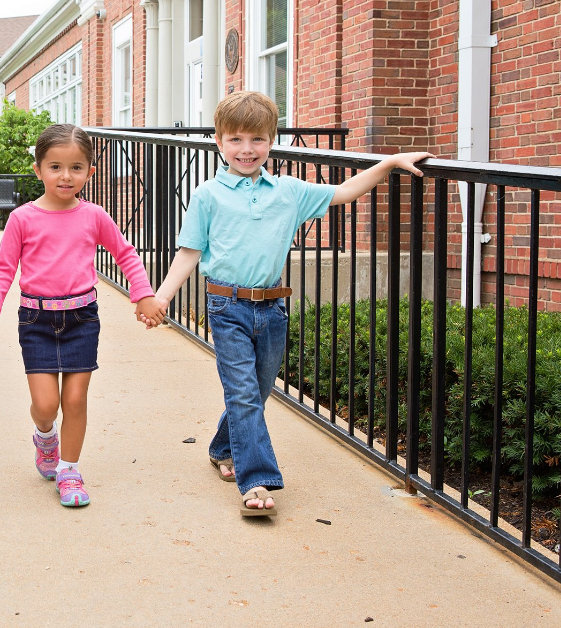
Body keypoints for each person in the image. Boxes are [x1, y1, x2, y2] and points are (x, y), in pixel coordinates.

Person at [146, 91, 433, 517]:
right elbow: (189, 251)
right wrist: (162, 296)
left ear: (271, 140)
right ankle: (256, 480)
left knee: (257, 392)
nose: (247, 150)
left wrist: (389, 162)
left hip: (273, 309)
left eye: (257, 140)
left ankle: (224, 447)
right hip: (227, 307)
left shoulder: (289, 192)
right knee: (243, 393)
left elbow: (345, 191)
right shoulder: (208, 195)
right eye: (237, 140)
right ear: (220, 142)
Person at [0, 123, 165, 508]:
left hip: (82, 318)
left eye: (76, 167)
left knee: (76, 398)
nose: (66, 176)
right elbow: (3, 267)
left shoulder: (94, 215)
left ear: (90, 172)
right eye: (55, 167)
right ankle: (45, 436)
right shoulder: (22, 219)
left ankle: (69, 469)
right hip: (37, 321)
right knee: (46, 406)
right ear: (38, 170)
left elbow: (126, 254)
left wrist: (143, 295)